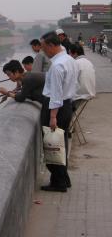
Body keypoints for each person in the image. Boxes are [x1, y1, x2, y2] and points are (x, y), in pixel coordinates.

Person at [40, 31, 78, 192]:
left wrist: (53, 116)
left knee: (52, 145)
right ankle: (63, 179)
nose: (43, 51)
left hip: (56, 108)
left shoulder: (57, 65)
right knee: (60, 145)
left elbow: (56, 94)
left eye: (43, 48)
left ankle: (59, 183)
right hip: (67, 105)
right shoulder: (69, 59)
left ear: (51, 45)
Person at [69, 44, 96, 109]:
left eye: (69, 53)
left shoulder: (75, 63)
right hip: (90, 94)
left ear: (75, 53)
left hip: (79, 96)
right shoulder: (89, 62)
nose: (69, 55)